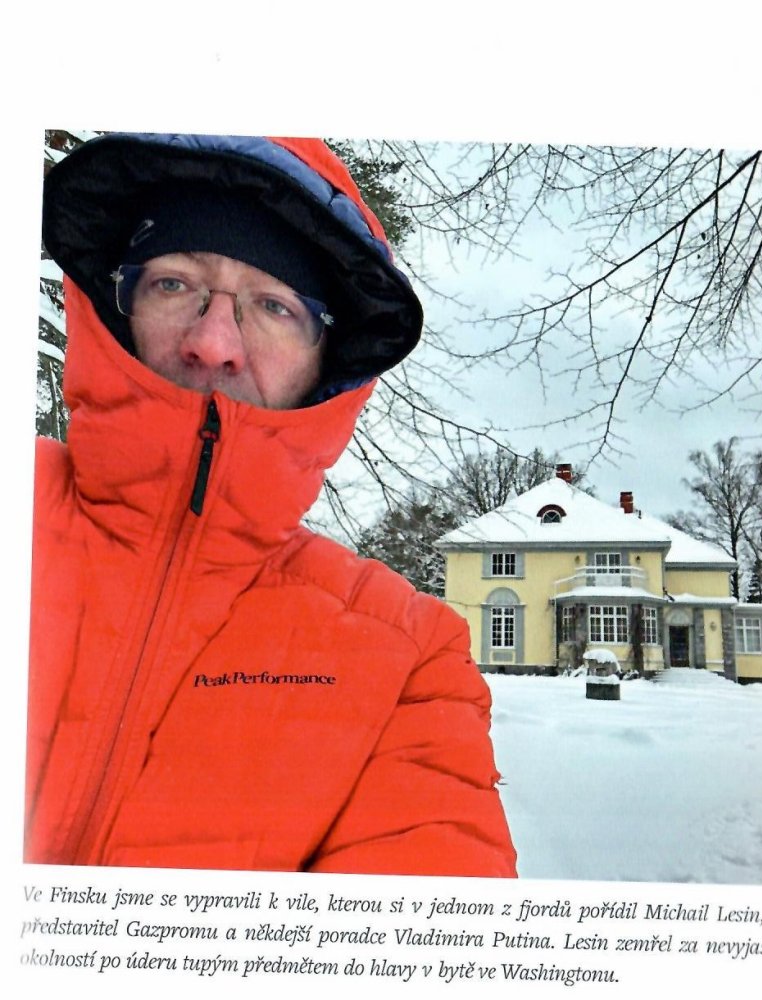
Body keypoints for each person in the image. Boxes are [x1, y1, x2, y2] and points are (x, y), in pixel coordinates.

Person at [27, 132, 517, 877]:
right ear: (117, 308)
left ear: (327, 365)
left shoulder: (407, 659)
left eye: (274, 306)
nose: (214, 341)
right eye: (173, 283)